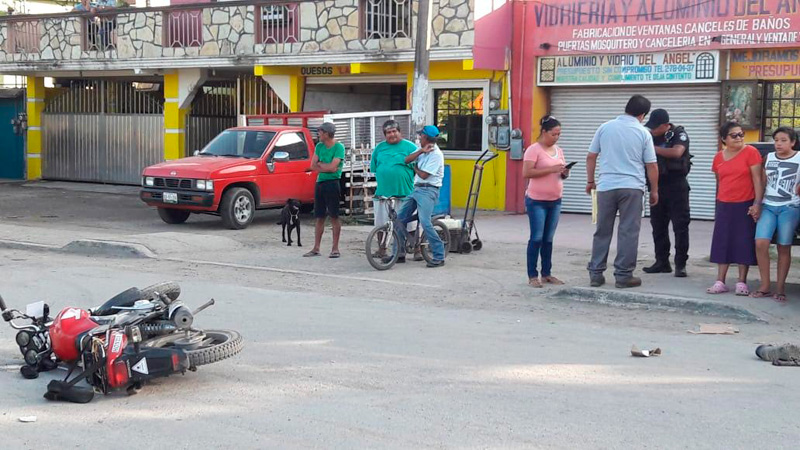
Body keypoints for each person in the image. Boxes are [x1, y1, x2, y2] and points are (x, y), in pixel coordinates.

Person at [586, 94, 659, 289]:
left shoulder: (605, 127)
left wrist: (591, 181)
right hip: (632, 187)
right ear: (643, 115)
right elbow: (651, 165)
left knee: (602, 230)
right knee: (628, 232)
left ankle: (596, 274)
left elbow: (591, 156)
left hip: (606, 187)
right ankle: (623, 276)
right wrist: (654, 190)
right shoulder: (643, 133)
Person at [707, 122, 763, 295]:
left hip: (745, 202)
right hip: (724, 203)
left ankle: (741, 281)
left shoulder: (751, 152)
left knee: (743, 241)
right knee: (722, 241)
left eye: (741, 134)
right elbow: (719, 180)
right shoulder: (718, 157)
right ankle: (720, 281)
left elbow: (757, 180)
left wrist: (757, 203)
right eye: (734, 135)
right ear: (724, 139)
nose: (739, 138)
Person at [751, 127, 800, 303]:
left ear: (793, 142)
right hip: (769, 206)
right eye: (776, 140)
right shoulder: (769, 158)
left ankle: (780, 287)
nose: (778, 144)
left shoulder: (799, 158)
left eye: (783, 140)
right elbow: (762, 183)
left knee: (784, 246)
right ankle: (765, 285)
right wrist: (757, 204)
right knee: (761, 242)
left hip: (790, 207)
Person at [642, 109, 692, 278]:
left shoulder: (678, 134)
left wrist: (651, 148)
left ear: (665, 125)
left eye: (656, 127)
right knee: (658, 226)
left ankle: (680, 264)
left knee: (680, 226)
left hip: (677, 185)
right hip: (657, 185)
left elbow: (677, 152)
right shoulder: (649, 136)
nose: (653, 130)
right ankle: (662, 262)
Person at [523, 115, 569, 288]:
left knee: (548, 239)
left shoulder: (559, 150)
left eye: (559, 134)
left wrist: (564, 172)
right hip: (537, 200)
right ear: (544, 132)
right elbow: (527, 173)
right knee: (537, 237)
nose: (556, 137)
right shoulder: (533, 150)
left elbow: (560, 173)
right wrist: (551, 169)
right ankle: (532, 275)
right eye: (553, 134)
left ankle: (547, 273)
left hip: (555, 200)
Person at [391, 125, 446, 268]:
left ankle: (439, 255)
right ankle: (398, 254)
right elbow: (406, 160)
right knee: (399, 219)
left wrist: (414, 167)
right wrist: (421, 151)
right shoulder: (421, 149)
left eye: (421, 135)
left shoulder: (436, 155)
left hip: (429, 190)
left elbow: (424, 175)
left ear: (426, 137)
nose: (419, 138)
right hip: (416, 189)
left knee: (425, 222)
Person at [370, 120, 417, 260]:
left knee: (410, 224)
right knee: (381, 224)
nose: (392, 134)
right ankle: (382, 249)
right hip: (383, 194)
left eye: (394, 131)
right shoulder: (379, 148)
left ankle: (416, 249)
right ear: (384, 135)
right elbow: (374, 168)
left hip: (405, 193)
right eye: (388, 132)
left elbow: (418, 169)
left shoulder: (410, 147)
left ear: (399, 132)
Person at [304, 122, 345, 259]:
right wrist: (325, 167)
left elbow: (333, 168)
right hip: (320, 182)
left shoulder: (339, 147)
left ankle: (335, 248)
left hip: (333, 183)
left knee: (334, 215)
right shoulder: (319, 146)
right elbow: (312, 165)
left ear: (326, 134)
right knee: (319, 216)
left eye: (320, 132)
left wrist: (321, 165)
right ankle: (316, 248)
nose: (318, 134)